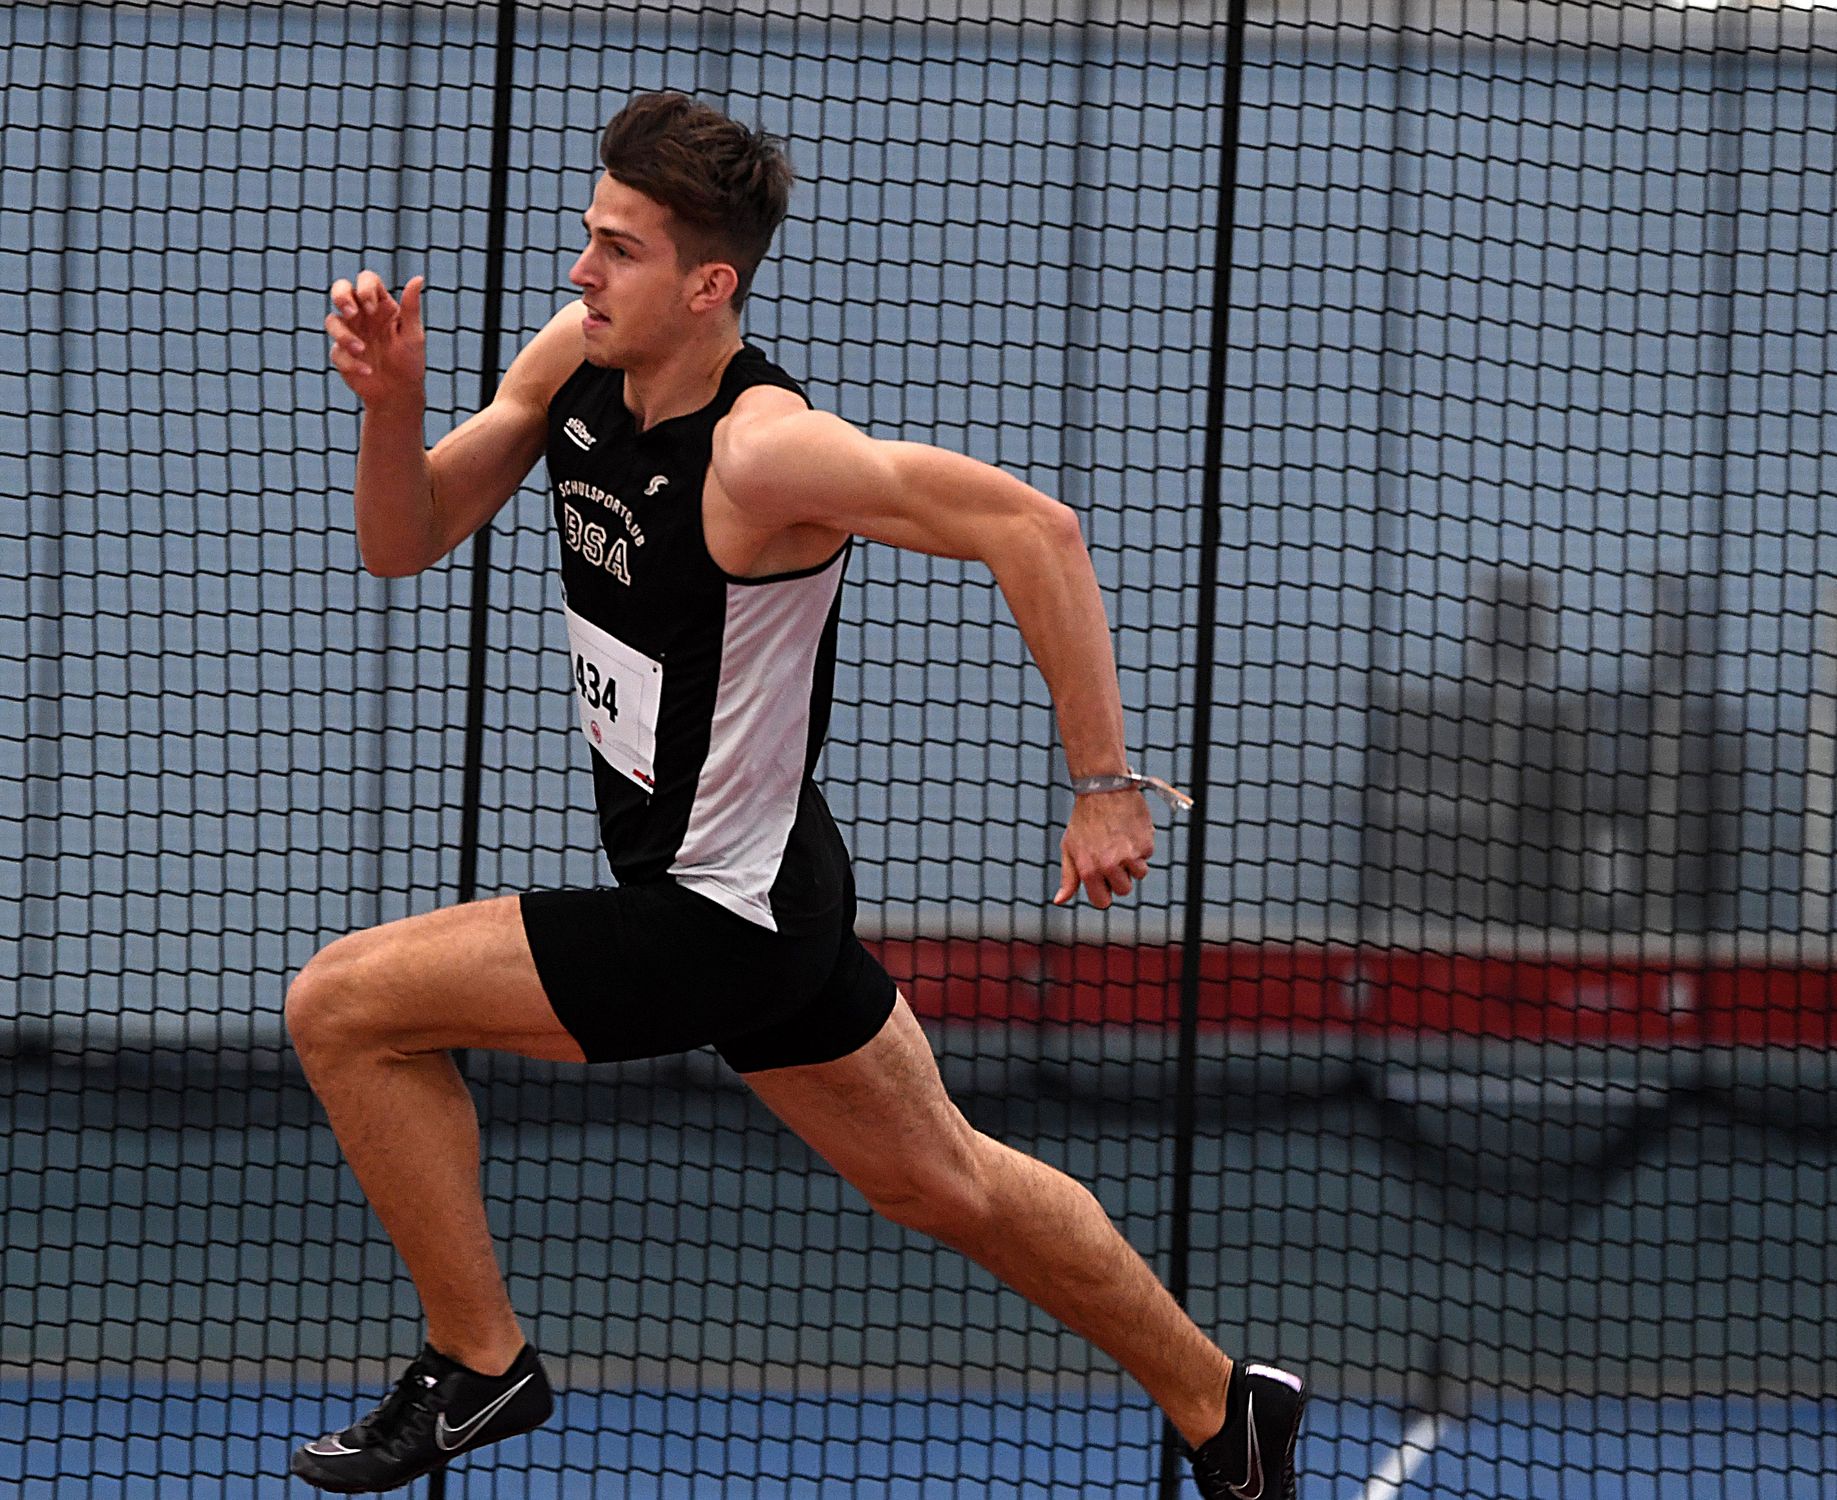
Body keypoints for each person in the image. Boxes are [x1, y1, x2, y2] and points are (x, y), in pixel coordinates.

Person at [288, 91, 1304, 1498]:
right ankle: (1221, 1406)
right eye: (589, 235)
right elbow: (405, 539)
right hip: (773, 886)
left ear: (709, 283)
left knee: (341, 1006)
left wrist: (1103, 788)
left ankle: (479, 1361)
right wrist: (393, 407)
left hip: (720, 917)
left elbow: (1034, 527)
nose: (582, 269)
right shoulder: (573, 364)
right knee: (940, 1181)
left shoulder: (764, 451)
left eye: (620, 250)